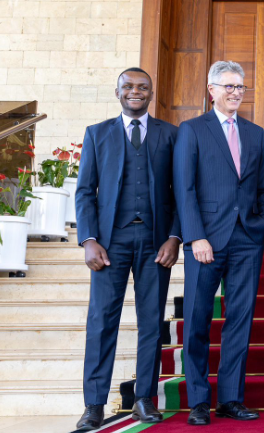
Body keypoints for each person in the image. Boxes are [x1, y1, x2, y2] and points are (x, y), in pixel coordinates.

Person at [75, 68, 181, 430]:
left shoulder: (171, 135)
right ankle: (94, 405)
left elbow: (180, 192)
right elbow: (85, 192)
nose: (135, 92)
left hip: (155, 242)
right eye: (129, 87)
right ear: (117, 91)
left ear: (151, 93)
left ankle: (144, 399)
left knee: (151, 322)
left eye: (143, 87)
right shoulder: (97, 134)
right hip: (109, 243)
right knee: (102, 321)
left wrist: (175, 236)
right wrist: (89, 239)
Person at [174, 61, 264, 426]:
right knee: (198, 320)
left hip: (247, 239)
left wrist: (261, 224)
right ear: (211, 89)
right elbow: (184, 189)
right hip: (205, 241)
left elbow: (263, 188)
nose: (235, 93)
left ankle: (231, 398)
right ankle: (199, 400)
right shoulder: (192, 130)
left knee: (240, 321)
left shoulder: (254, 132)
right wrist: (196, 235)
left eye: (240, 87)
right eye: (228, 86)